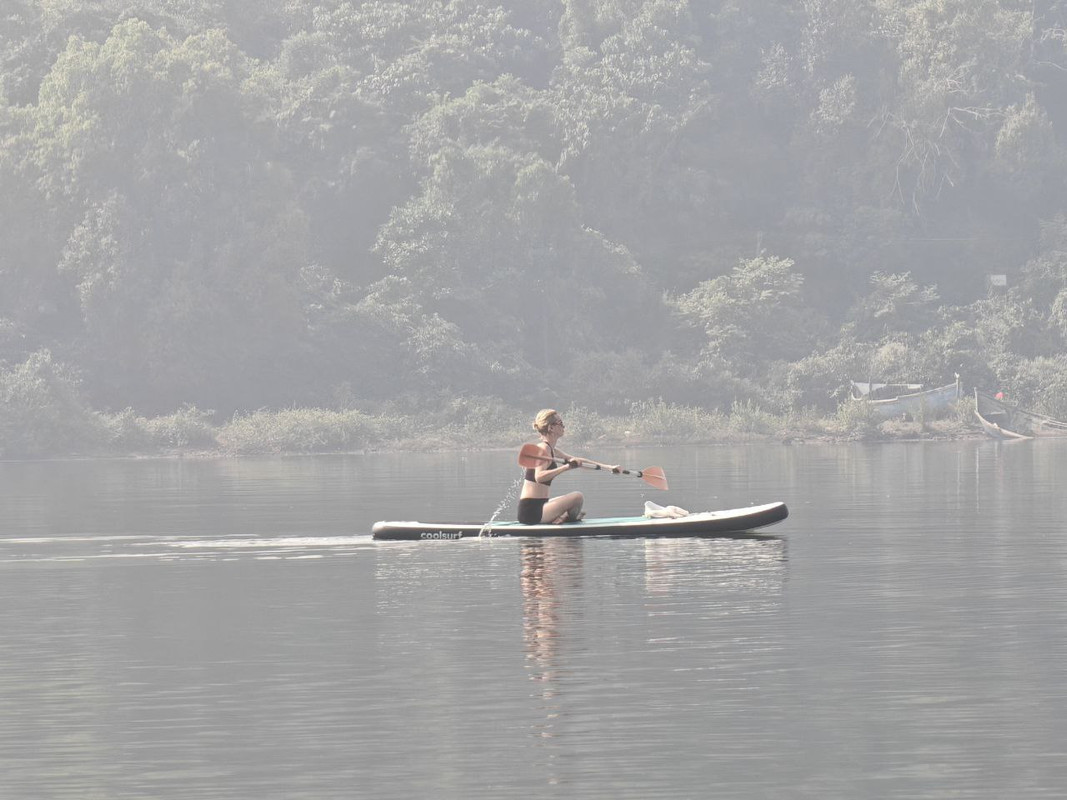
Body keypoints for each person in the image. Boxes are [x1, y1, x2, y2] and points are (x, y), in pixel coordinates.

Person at [517, 409, 620, 524]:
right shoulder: (543, 449)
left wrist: (609, 467)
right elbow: (539, 477)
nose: (564, 426)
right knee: (577, 497)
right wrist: (565, 468)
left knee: (575, 502)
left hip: (541, 506)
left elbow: (579, 461)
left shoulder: (552, 450)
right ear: (551, 428)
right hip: (531, 512)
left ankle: (564, 516)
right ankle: (565, 517)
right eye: (560, 423)